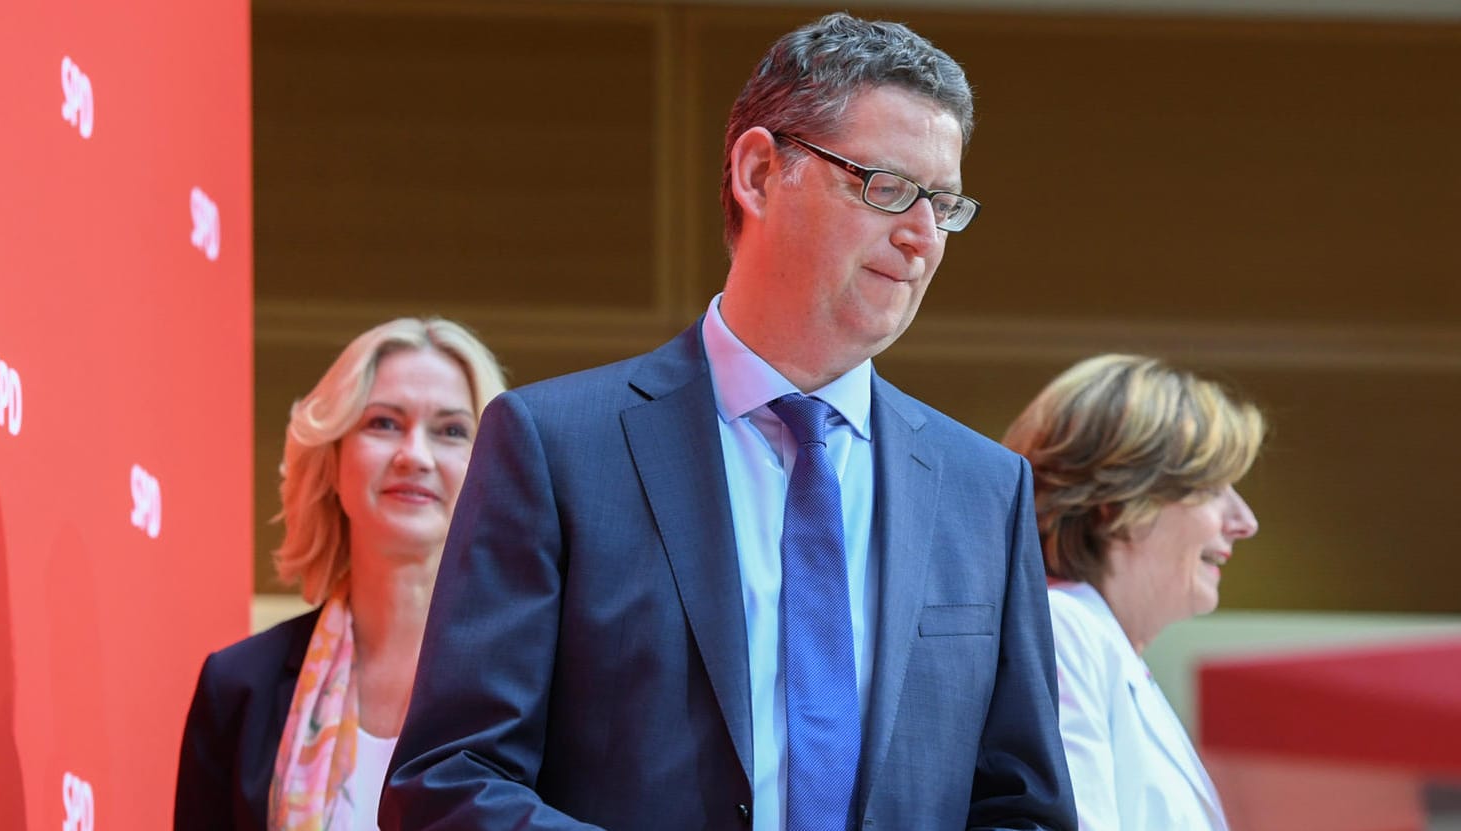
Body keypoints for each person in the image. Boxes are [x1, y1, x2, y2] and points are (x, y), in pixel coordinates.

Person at [382, 12, 1075, 831]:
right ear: (756, 172)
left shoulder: (984, 489)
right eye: (887, 187)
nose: (923, 235)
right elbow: (450, 781)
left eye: (946, 205)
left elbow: (1023, 808)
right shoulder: (557, 446)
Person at [173, 317, 506, 831]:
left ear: (493, 469)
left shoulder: (543, 683)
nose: (413, 455)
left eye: (452, 431)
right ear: (332, 460)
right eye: (384, 423)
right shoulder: (239, 687)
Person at [1002, 354, 1265, 831]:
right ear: (1117, 502)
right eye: (1212, 488)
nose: (1245, 522)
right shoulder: (1064, 631)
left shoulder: (1102, 646)